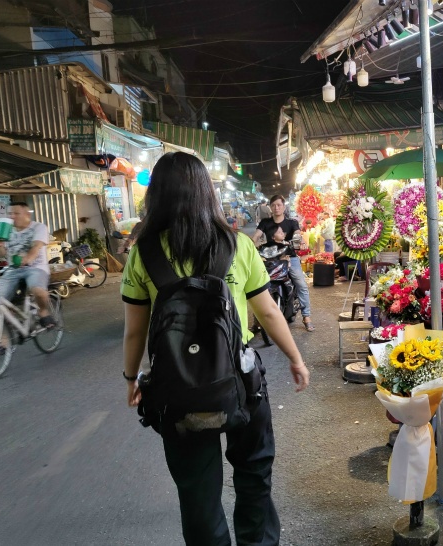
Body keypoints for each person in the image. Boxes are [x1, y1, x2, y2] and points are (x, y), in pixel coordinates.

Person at [121, 152, 310, 546]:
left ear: (156, 196)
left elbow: (134, 332)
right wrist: (295, 358)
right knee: (254, 473)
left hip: (177, 387)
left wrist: (130, 379)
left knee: (197, 492)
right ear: (207, 193)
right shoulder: (238, 245)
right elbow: (270, 313)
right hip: (240, 380)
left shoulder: (143, 254)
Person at [252, 194, 315, 332]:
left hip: (289, 257)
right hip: (270, 259)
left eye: (279, 205)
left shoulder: (291, 222)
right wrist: (250, 245)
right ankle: (257, 321)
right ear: (270, 207)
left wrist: (301, 241)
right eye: (273, 205)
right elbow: (256, 236)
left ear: (284, 206)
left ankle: (306, 317)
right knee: (258, 288)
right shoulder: (265, 223)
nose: (276, 208)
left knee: (301, 284)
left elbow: (297, 234)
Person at [0, 202, 56, 327]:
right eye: (10, 214)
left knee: (38, 291)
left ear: (27, 215)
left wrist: (27, 258)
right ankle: (4, 343)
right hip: (12, 269)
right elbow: (1, 254)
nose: (12, 217)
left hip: (36, 267)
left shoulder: (38, 227)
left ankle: (43, 311)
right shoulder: (7, 230)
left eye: (16, 213)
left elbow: (37, 246)